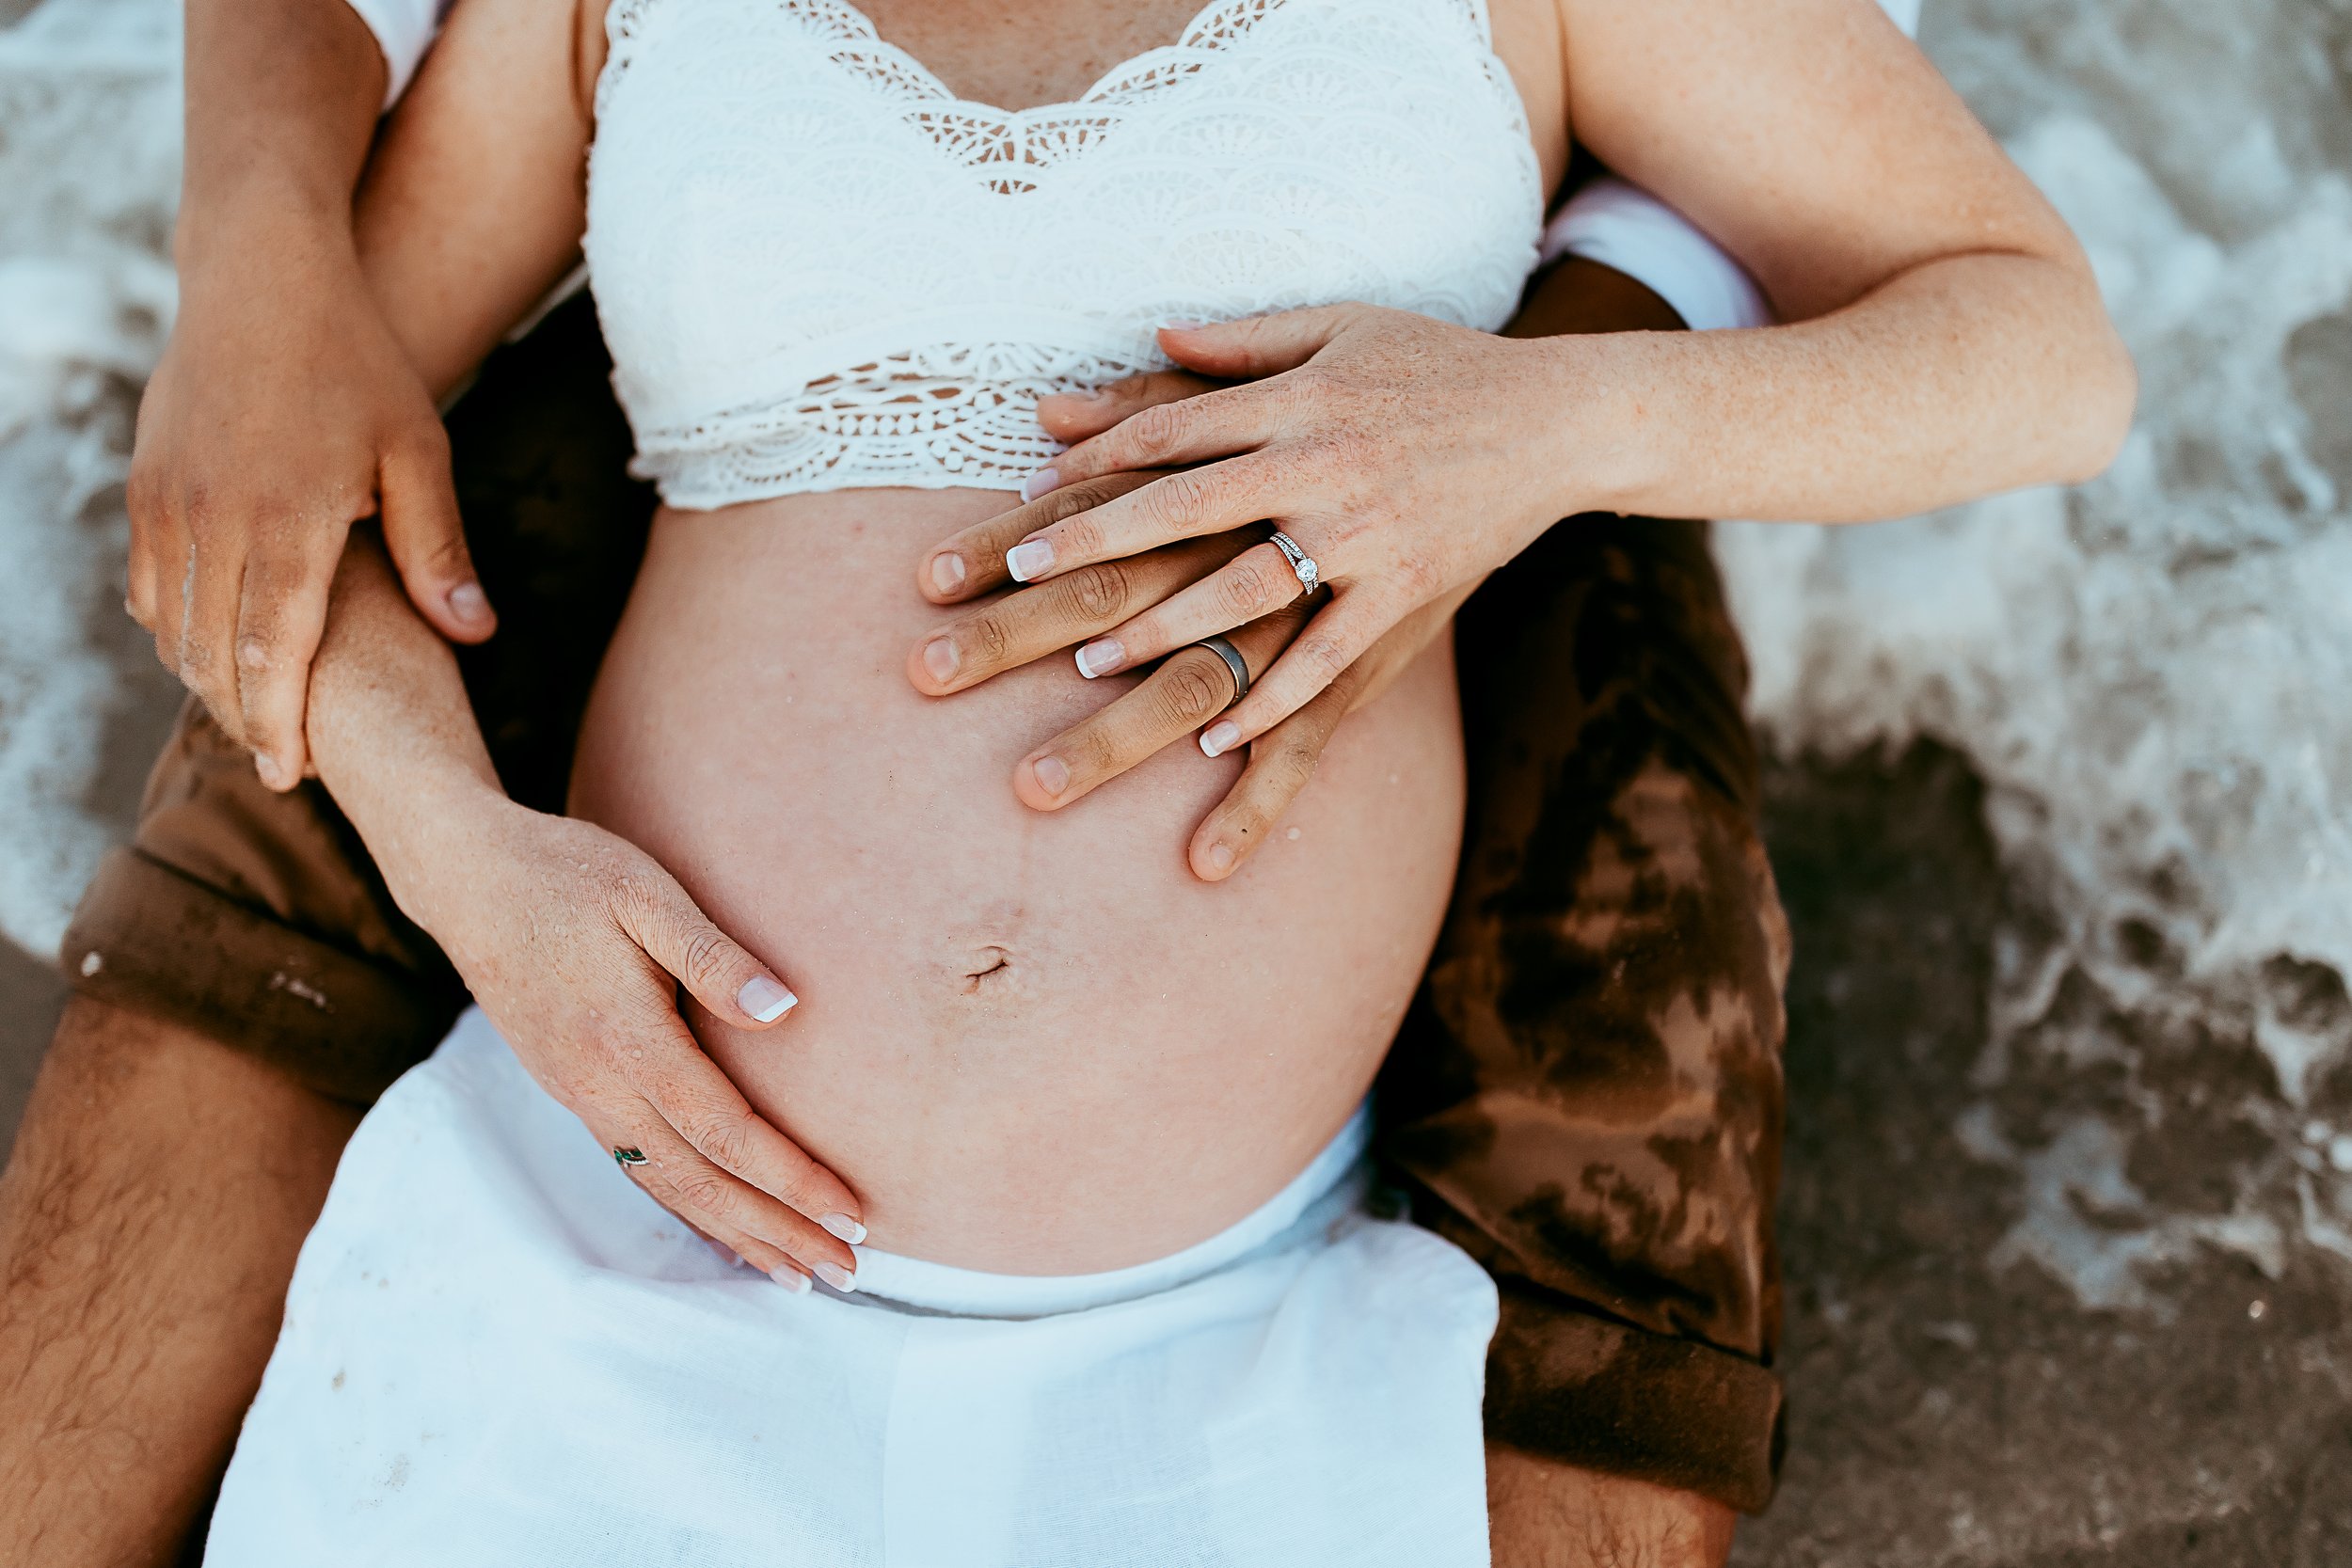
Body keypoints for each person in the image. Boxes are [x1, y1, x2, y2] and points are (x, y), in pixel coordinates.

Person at [0, 0, 2129, 1560]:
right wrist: (466, 864)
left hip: (1229, 1336)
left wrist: (1527, 430)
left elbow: (2039, 349)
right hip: (613, 1247)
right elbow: (282, 483)